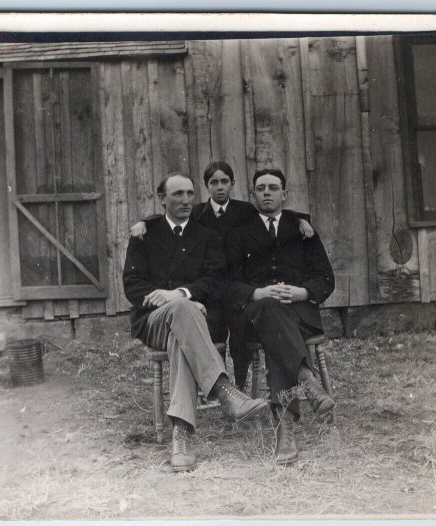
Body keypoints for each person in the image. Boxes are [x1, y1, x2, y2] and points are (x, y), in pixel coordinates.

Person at [122, 173, 268, 472]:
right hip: (153, 320)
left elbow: (215, 281)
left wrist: (181, 295)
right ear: (162, 198)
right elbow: (132, 286)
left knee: (183, 321)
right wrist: (167, 300)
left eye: (190, 193)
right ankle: (224, 390)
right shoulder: (144, 235)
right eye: (177, 194)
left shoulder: (207, 236)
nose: (186, 200)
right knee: (181, 310)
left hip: (193, 323)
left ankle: (182, 433)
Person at [130, 161, 314, 391]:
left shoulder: (245, 210)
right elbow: (169, 219)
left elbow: (275, 212)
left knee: (240, 336)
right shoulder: (196, 212)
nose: (220, 187)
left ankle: (239, 385)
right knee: (216, 333)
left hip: (237, 281)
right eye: (214, 182)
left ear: (233, 184)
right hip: (212, 288)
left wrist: (301, 219)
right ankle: (220, 385)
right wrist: (143, 221)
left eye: (224, 181)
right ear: (207, 186)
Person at [224, 168, 336, 464]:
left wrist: (301, 292)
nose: (267, 192)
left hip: (298, 312)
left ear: (284, 194)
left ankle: (285, 430)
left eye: (273, 188)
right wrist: (257, 293)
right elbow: (228, 283)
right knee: (270, 312)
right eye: (261, 188)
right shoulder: (239, 234)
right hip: (255, 312)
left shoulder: (303, 231)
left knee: (275, 334)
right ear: (253, 194)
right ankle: (307, 381)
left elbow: (326, 278)